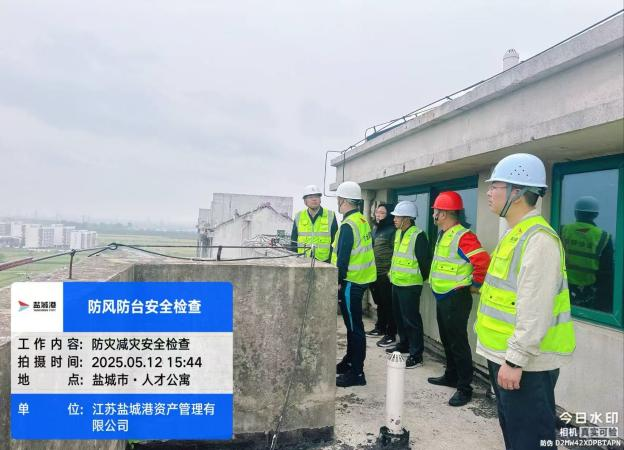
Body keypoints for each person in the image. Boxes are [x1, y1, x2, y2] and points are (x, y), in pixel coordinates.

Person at [475, 153, 576, 449]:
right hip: (504, 356)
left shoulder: (539, 239)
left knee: (529, 440)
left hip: (525, 365)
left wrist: (515, 360)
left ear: (516, 192)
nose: (489, 192)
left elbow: (536, 309)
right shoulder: (514, 234)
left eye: (496, 186)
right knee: (515, 434)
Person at [427, 191, 490, 407]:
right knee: (447, 339)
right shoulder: (444, 234)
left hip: (456, 297)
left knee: (458, 343)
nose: (433, 214)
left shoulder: (464, 236)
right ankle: (451, 375)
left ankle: (465, 388)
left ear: (443, 214)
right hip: (443, 296)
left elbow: (483, 262)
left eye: (435, 211)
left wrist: (475, 285)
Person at [333, 181, 377, 387]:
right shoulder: (362, 220)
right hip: (361, 280)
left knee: (354, 328)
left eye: (338, 199)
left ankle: (357, 373)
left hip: (351, 282)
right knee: (353, 326)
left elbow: (342, 259)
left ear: (343, 200)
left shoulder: (348, 225)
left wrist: (337, 282)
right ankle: (350, 361)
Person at [384, 201, 431, 369]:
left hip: (410, 285)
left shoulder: (418, 235)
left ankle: (416, 355)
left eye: (397, 217)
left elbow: (425, 263)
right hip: (396, 282)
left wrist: (417, 279)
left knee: (411, 320)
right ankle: (404, 345)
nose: (394, 219)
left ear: (407, 218)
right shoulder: (398, 233)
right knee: (399, 317)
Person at [561, 195, 614, 312]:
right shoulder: (603, 237)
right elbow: (607, 271)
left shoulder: (563, 230)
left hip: (563, 287)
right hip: (588, 292)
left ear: (575, 213)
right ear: (596, 214)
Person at [366, 203, 398, 348]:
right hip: (375, 272)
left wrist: (390, 271)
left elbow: (395, 252)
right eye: (377, 212)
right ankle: (380, 327)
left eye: (382, 213)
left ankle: (390, 334)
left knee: (388, 305)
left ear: (389, 215)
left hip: (386, 274)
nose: (378, 215)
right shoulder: (375, 229)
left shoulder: (392, 230)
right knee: (380, 303)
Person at [291, 184, 338, 263]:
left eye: (317, 196)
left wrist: (332, 262)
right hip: (302, 260)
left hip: (324, 261)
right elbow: (293, 241)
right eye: (310, 197)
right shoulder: (299, 216)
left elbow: (335, 241)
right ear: (305, 201)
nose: (314, 199)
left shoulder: (330, 215)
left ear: (320, 200)